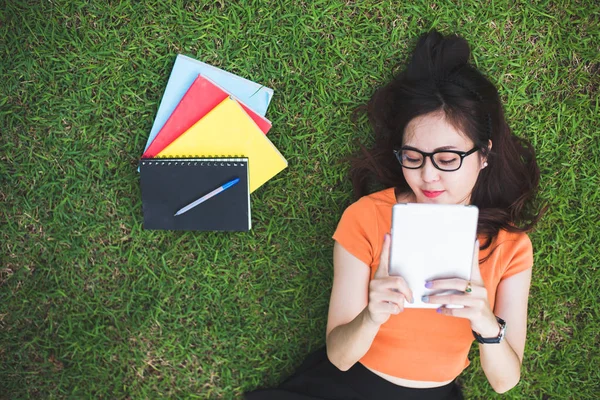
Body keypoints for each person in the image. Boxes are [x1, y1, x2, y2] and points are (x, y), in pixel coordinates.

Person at [245, 29, 543, 400]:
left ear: (484, 155)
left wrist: (484, 319)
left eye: (448, 159)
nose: (428, 176)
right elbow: (339, 356)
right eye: (413, 157)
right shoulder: (367, 216)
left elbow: (504, 381)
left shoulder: (510, 246)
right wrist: (372, 314)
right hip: (349, 386)